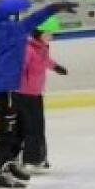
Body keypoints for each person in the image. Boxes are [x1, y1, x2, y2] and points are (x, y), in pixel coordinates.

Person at [0, 0, 75, 189]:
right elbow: (32, 20)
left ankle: (8, 166)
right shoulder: (12, 30)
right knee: (8, 132)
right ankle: (1, 174)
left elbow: (31, 22)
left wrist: (52, 8)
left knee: (13, 129)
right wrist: (52, 8)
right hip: (4, 87)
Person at [13, 14, 69, 174]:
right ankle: (29, 160)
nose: (52, 37)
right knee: (29, 127)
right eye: (49, 33)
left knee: (38, 126)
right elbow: (19, 68)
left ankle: (39, 158)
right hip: (23, 95)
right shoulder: (28, 49)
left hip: (35, 94)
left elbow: (45, 61)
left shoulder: (41, 47)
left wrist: (56, 67)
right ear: (40, 33)